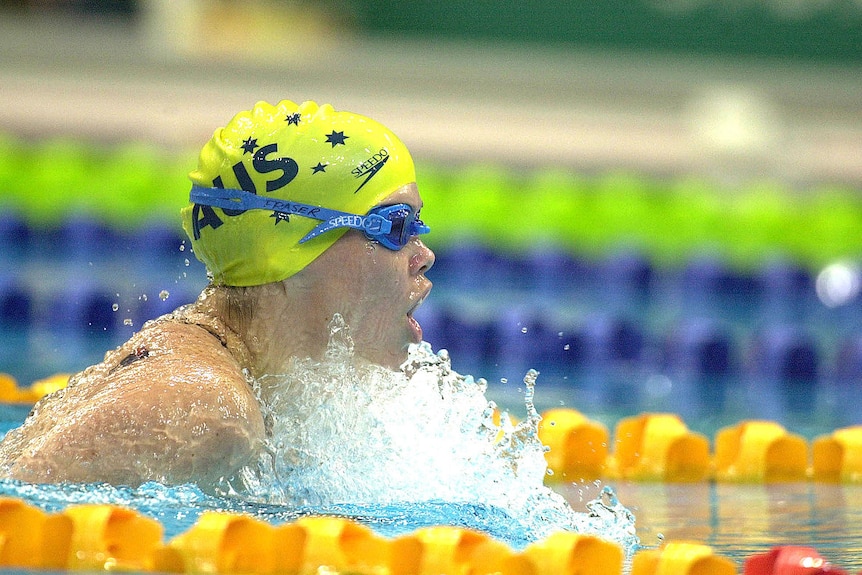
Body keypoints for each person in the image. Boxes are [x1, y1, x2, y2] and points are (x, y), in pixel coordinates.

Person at [0, 100, 436, 489]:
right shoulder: (209, 412)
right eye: (398, 227)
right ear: (287, 250)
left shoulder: (231, 380)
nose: (425, 255)